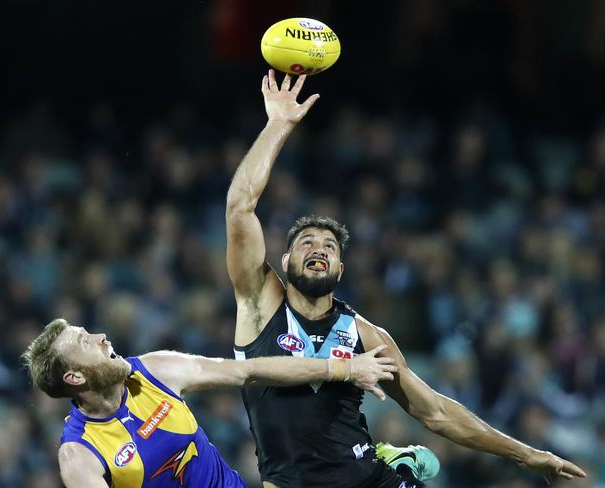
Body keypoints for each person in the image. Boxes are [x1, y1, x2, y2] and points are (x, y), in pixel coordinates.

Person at [224, 69, 588, 488]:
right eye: (306, 243)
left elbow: (433, 411)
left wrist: (526, 455)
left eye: (329, 246)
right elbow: (239, 208)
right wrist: (278, 125)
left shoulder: (364, 334)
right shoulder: (259, 301)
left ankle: (397, 464)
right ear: (284, 262)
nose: (319, 249)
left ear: (341, 271)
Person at [21, 318, 397, 488]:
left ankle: (376, 464)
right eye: (87, 342)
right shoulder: (80, 455)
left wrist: (341, 368)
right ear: (75, 378)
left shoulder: (154, 371)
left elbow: (247, 371)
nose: (102, 336)